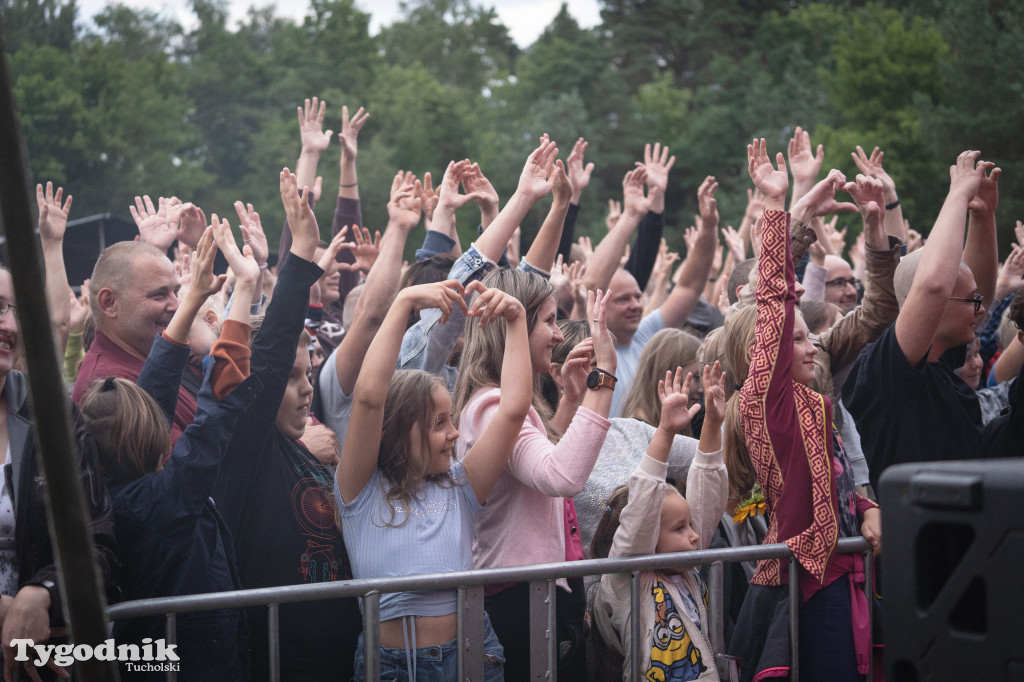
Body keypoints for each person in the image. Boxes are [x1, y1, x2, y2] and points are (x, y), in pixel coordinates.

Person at [727, 140, 881, 682]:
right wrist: (780, 211)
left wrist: (865, 507)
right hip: (804, 585)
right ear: (764, 354)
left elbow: (837, 479)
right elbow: (774, 301)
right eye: (795, 340)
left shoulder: (816, 402)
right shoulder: (769, 402)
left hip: (844, 576)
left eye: (810, 336)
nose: (812, 344)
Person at [82, 224, 260, 680]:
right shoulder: (165, 497)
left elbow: (151, 393)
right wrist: (244, 293)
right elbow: (215, 415)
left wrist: (196, 297)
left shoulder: (123, 484)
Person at [210, 169, 361, 681]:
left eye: (309, 373)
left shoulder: (307, 446)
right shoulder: (243, 447)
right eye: (291, 379)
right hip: (275, 660)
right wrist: (298, 260)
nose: (304, 388)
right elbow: (270, 362)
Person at [336, 277, 529, 678]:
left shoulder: (461, 488)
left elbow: (513, 409)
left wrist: (516, 319)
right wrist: (403, 300)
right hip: (389, 666)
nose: (455, 434)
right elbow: (371, 397)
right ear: (403, 429)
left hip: (471, 654)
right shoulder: (361, 490)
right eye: (440, 423)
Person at [453, 270, 616, 680]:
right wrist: (605, 379)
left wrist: (574, 402)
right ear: (514, 328)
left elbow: (532, 475)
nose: (559, 335)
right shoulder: (493, 406)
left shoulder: (494, 400)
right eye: (547, 321)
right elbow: (560, 476)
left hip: (532, 594)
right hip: (517, 600)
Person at [0, 189, 120, 682]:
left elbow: (100, 542)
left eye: (9, 310)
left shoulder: (51, 414)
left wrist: (42, 591)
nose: (5, 324)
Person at [843, 151, 999, 494]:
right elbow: (933, 285)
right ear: (935, 305)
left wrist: (983, 216)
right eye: (969, 303)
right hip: (911, 543)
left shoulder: (942, 361)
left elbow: (976, 293)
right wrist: (956, 194)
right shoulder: (884, 371)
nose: (980, 310)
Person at [590, 364, 728, 681]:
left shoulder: (686, 565)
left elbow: (707, 493)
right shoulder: (628, 579)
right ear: (649, 536)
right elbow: (643, 509)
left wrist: (713, 423)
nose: (695, 537)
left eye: (689, 526)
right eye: (680, 529)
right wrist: (665, 431)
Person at [575, 328, 707, 558]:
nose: (607, 378)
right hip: (609, 587)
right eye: (598, 366)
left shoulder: (630, 430)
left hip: (662, 578)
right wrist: (665, 430)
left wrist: (717, 420)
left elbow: (710, 461)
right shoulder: (547, 442)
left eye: (611, 365)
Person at [72, 239, 195, 443]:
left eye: (175, 292)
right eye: (159, 295)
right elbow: (189, 467)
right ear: (109, 303)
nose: (177, 305)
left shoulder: (150, 352)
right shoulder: (107, 387)